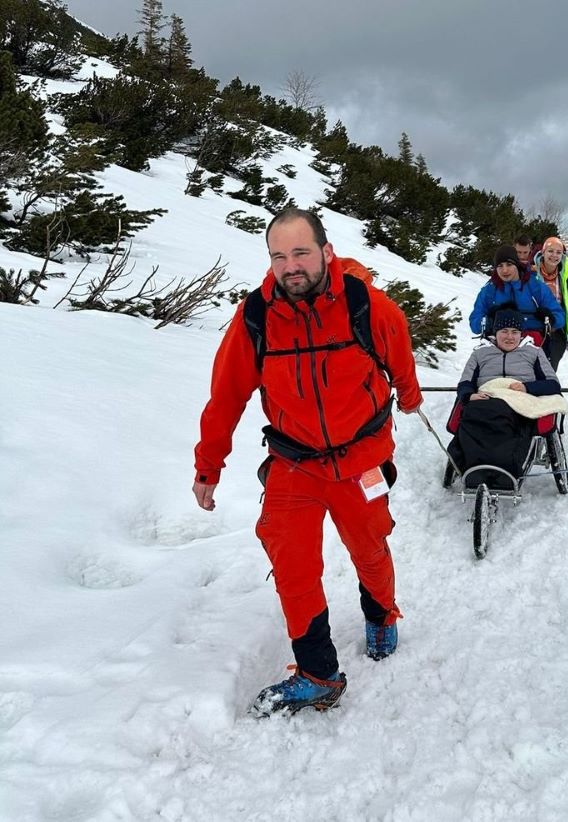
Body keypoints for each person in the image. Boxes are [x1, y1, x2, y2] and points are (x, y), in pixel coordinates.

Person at [192, 207, 423, 717]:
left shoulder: (368, 306)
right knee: (292, 566)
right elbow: (225, 396)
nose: (290, 265)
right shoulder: (256, 316)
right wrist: (209, 465)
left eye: (299, 252)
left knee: (370, 547)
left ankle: (381, 615)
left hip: (361, 459)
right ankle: (318, 673)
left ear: (325, 250)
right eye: (278, 256)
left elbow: (400, 360)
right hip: (293, 464)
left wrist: (408, 396)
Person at [447, 310, 562, 489]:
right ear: (496, 332)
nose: (509, 337)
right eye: (504, 331)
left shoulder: (534, 353)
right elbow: (465, 382)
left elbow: (553, 384)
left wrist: (527, 387)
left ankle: (504, 470)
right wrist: (470, 395)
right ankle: (474, 468)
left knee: (505, 419)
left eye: (515, 332)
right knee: (472, 413)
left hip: (518, 403)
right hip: (485, 398)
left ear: (521, 333)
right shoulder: (480, 354)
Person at [469, 245, 565, 346]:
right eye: (500, 266)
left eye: (509, 264)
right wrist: (489, 321)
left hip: (531, 344)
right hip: (498, 346)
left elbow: (559, 316)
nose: (504, 270)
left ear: (517, 265)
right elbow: (474, 323)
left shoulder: (535, 286)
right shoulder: (490, 290)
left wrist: (549, 319)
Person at [534, 237, 568, 372]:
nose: (554, 255)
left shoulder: (566, 277)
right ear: (543, 252)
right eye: (550, 251)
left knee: (549, 371)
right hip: (534, 331)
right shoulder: (533, 274)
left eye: (558, 252)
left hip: (558, 332)